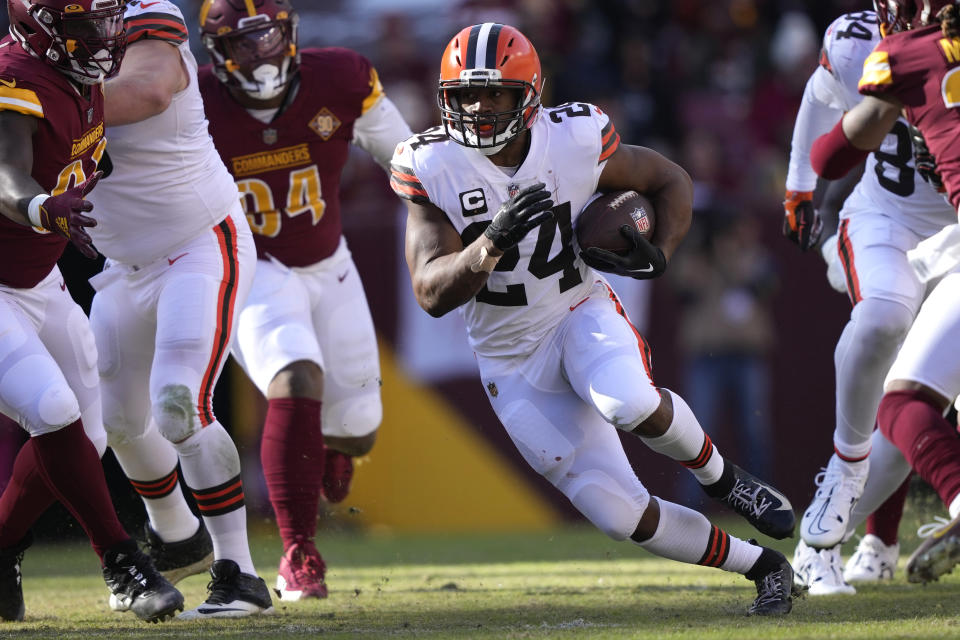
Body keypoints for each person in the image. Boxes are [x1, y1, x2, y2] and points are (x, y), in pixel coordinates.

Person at [393, 22, 800, 616]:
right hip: (510, 356)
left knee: (626, 401)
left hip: (577, 307)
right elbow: (430, 291)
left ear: (528, 94)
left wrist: (662, 249)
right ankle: (763, 566)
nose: (479, 109)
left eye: (496, 94)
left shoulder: (575, 137)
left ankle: (722, 478)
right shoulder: (430, 164)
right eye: (466, 96)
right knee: (618, 513)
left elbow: (669, 180)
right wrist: (488, 246)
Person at [195, 0, 412, 600]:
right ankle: (298, 553)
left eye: (270, 38)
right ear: (218, 53)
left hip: (327, 262)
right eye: (244, 44)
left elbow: (410, 158)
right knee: (293, 374)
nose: (261, 55)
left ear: (290, 35)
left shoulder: (338, 77)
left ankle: (327, 450)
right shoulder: (190, 99)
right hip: (249, 268)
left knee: (360, 430)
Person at [83, 0, 272, 619]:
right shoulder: (30, 55)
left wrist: (46, 98)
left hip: (196, 242)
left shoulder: (143, 14)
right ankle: (175, 533)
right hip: (118, 266)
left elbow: (152, 89)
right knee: (119, 423)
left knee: (177, 403)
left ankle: (239, 572)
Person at [0, 0, 183, 623]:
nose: (104, 37)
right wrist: (37, 207)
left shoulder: (82, 81)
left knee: (90, 429)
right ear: (38, 27)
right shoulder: (16, 76)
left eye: (109, 21)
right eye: (84, 26)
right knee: (52, 411)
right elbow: (6, 172)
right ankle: (123, 562)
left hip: (35, 280)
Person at [783, 8, 956, 594]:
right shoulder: (863, 43)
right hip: (891, 217)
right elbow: (818, 98)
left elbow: (831, 152)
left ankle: (848, 542)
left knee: (908, 410)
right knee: (884, 324)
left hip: (950, 237)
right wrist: (798, 191)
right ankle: (844, 469)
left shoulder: (908, 51)